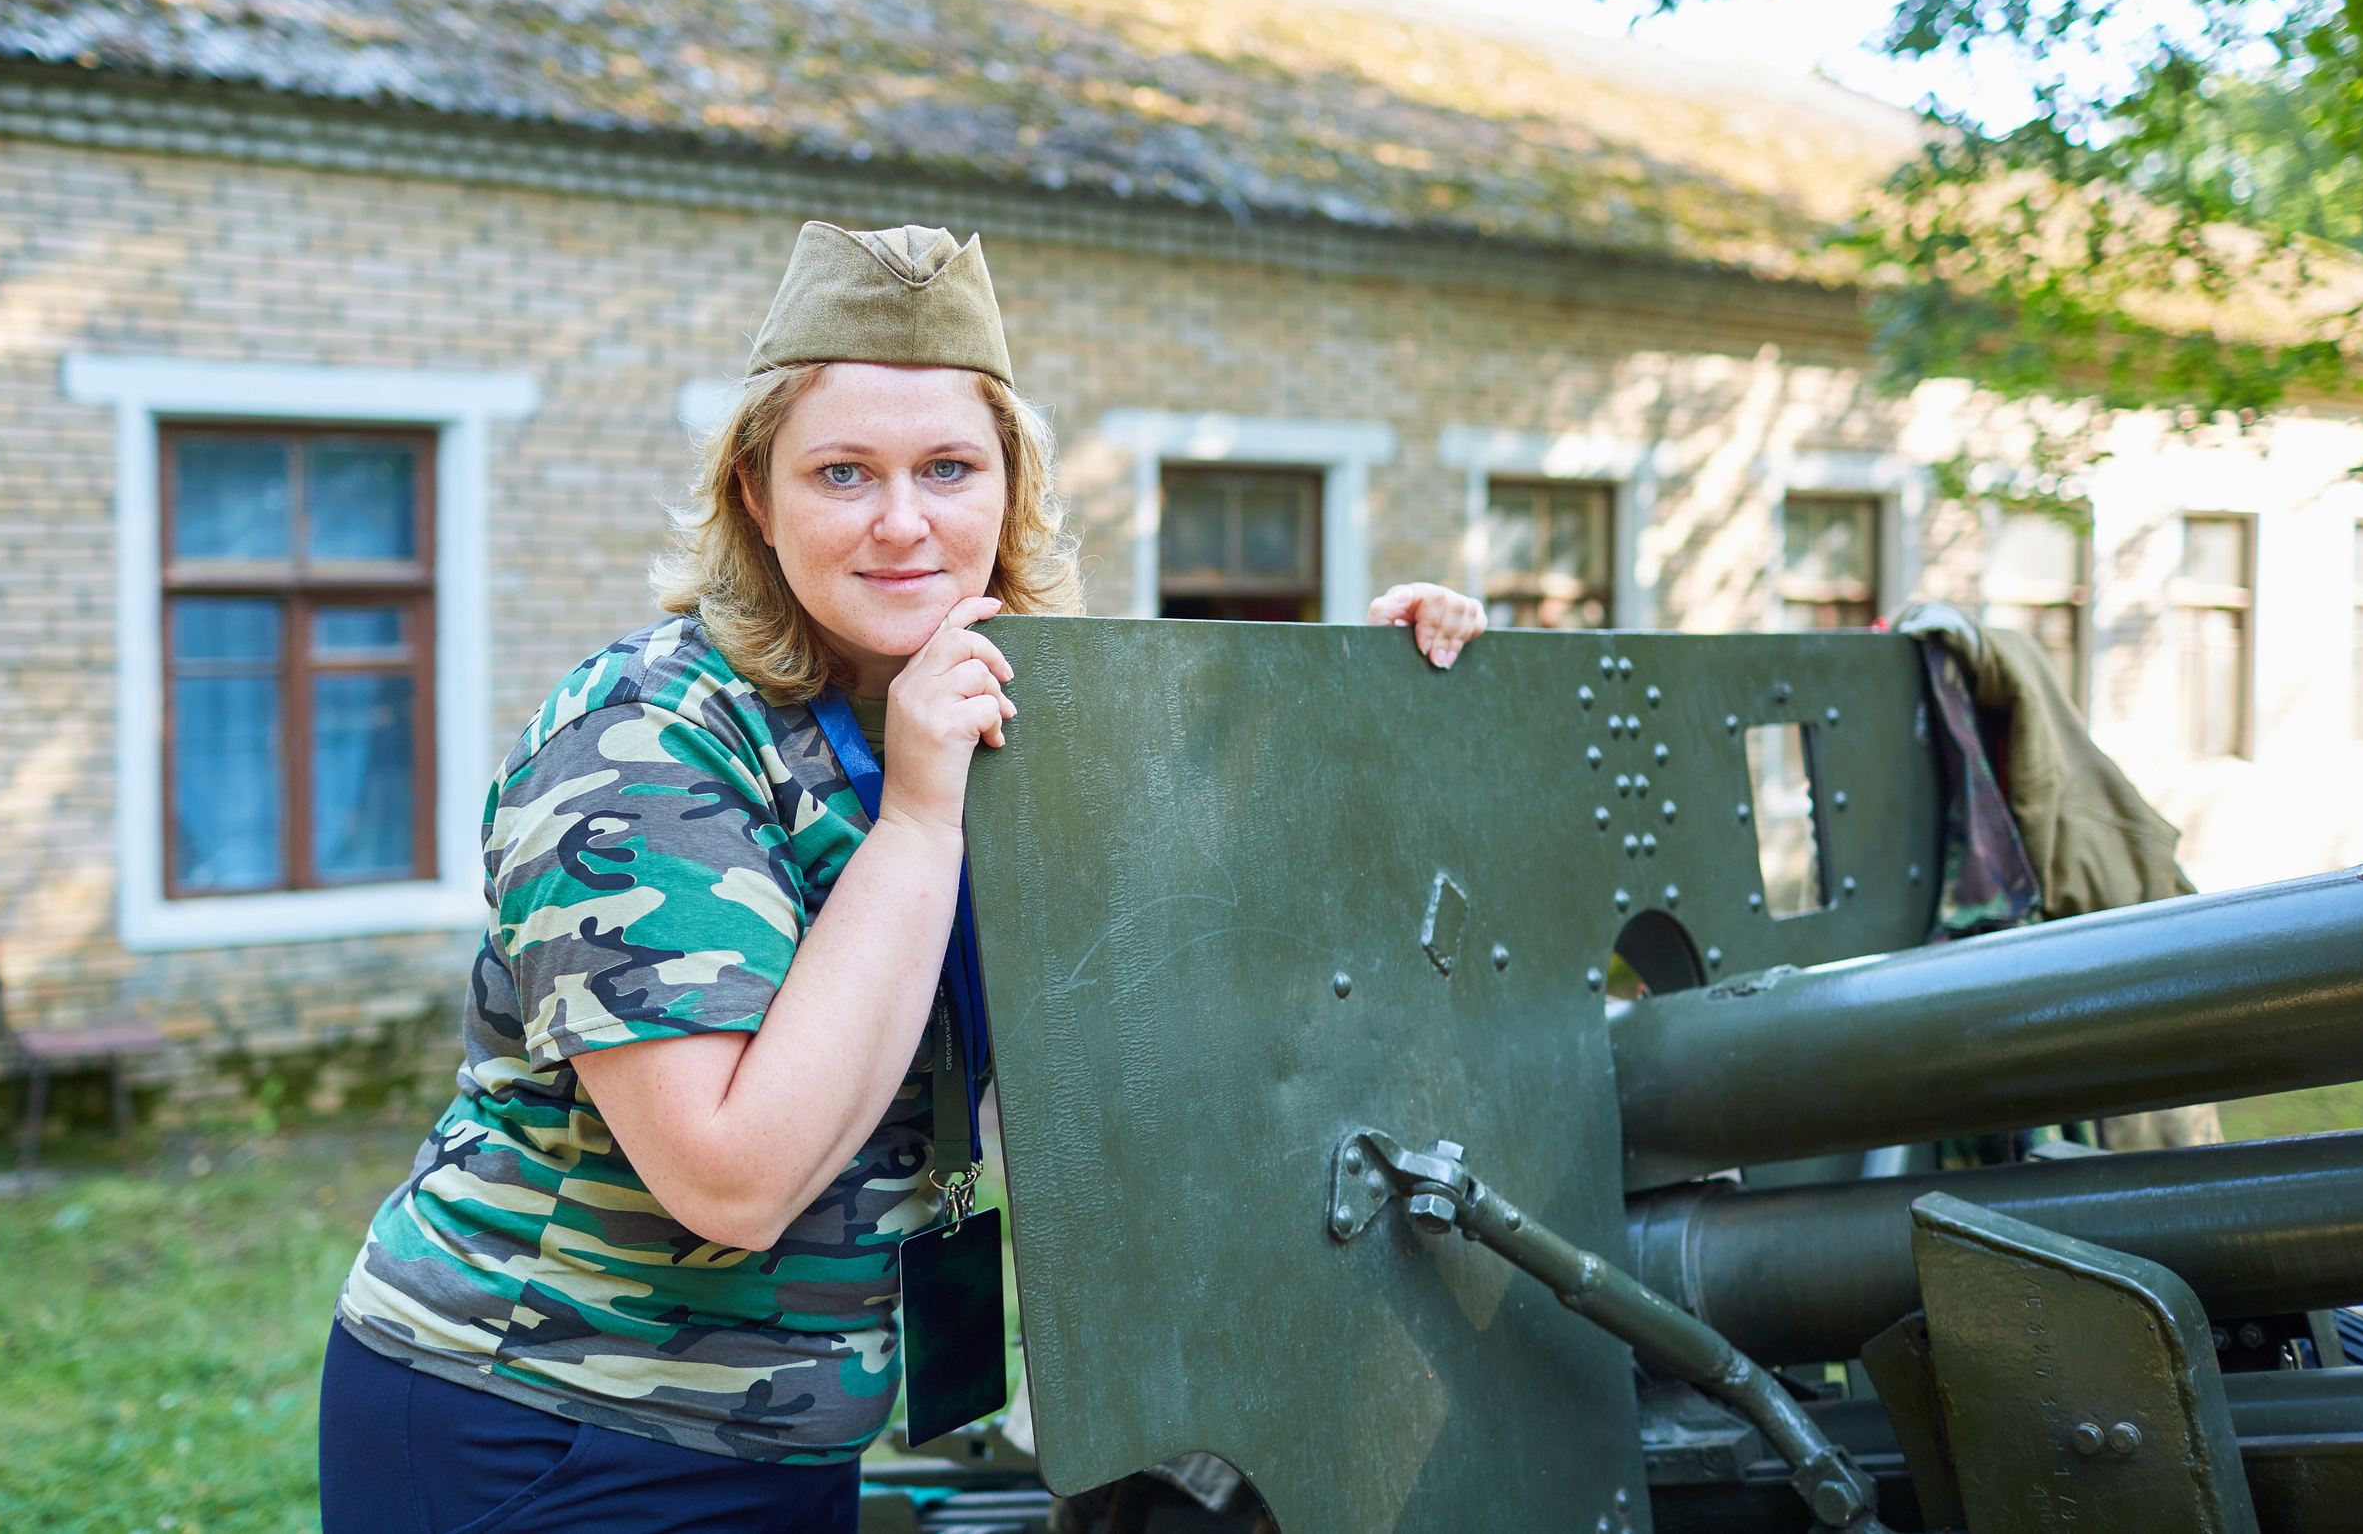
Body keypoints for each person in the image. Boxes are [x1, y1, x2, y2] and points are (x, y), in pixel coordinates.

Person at [317, 221, 1488, 1533]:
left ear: (1009, 490)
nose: (903, 522)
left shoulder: (996, 711)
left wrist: (1375, 706)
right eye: (841, 473)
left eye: (948, 467)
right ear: (756, 497)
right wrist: (924, 820)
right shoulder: (643, 735)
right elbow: (730, 1180)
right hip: (546, 1427)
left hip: (788, 1433)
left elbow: (1226, 953)